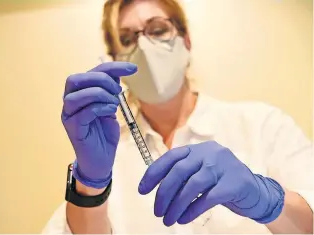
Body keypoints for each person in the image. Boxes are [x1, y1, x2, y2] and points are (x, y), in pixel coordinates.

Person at [43, 0, 313, 233]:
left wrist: (266, 199)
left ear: (186, 41)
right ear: (114, 60)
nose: (144, 47)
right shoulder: (108, 156)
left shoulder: (262, 126)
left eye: (158, 30)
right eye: (127, 39)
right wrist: (90, 185)